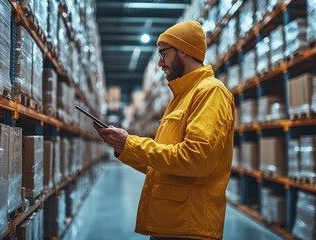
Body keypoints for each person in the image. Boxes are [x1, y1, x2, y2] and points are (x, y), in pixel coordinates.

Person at [94, 20, 235, 240]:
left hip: (188, 227)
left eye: (163, 54)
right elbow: (164, 164)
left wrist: (131, 143)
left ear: (184, 51)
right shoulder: (180, 98)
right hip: (172, 224)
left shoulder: (210, 92)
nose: (160, 63)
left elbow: (196, 158)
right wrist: (124, 147)